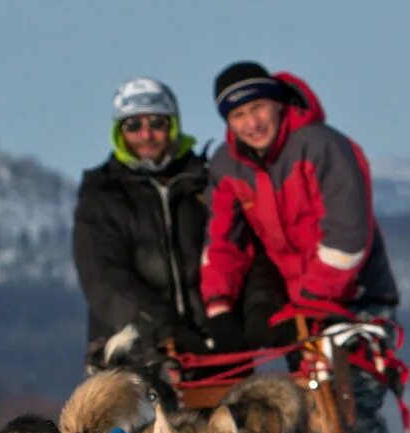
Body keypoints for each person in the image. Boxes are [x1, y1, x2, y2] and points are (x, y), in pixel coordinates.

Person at [201, 61, 404, 433]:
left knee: (354, 403)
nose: (252, 122)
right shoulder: (229, 166)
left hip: (354, 293)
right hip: (301, 307)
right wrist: (220, 306)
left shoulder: (322, 146)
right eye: (239, 115)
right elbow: (223, 244)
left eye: (258, 108)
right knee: (307, 416)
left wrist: (316, 300)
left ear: (277, 104)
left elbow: (347, 235)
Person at [73, 77, 286, 373]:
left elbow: (245, 249)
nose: (146, 135)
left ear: (173, 126)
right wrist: (163, 328)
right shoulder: (102, 193)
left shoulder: (206, 181)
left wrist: (256, 310)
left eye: (157, 124)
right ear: (119, 133)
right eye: (133, 126)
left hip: (215, 348)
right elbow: (102, 277)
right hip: (136, 352)